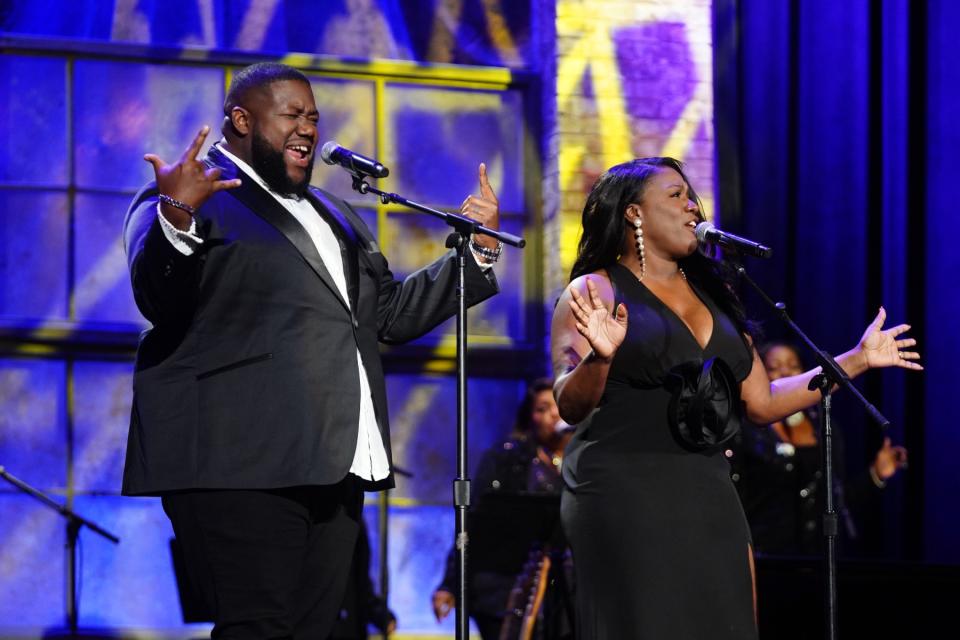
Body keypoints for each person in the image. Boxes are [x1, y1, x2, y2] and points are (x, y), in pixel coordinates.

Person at [121, 62, 501, 638]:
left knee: (313, 630)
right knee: (258, 627)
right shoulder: (186, 194)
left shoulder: (335, 212)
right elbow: (158, 296)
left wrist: (474, 257)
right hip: (237, 461)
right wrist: (178, 216)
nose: (308, 128)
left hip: (334, 459)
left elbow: (387, 315)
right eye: (292, 115)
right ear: (241, 120)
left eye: (314, 118)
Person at [550, 157, 921, 639]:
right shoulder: (595, 290)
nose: (692, 205)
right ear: (634, 214)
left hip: (709, 490)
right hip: (622, 490)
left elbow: (764, 401)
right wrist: (599, 359)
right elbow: (568, 403)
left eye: (692, 196)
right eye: (676, 194)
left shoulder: (716, 295)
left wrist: (854, 360)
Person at [729, 341, 909, 556]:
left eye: (793, 366)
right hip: (766, 553)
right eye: (774, 367)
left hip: (818, 554)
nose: (785, 371)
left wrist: (875, 475)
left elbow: (837, 499)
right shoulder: (747, 431)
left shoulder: (824, 426)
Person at [432, 378, 574, 640]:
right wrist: (450, 583)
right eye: (542, 408)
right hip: (505, 586)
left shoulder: (586, 459)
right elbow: (473, 520)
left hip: (565, 589)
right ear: (529, 416)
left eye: (558, 405)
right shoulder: (506, 458)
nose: (552, 415)